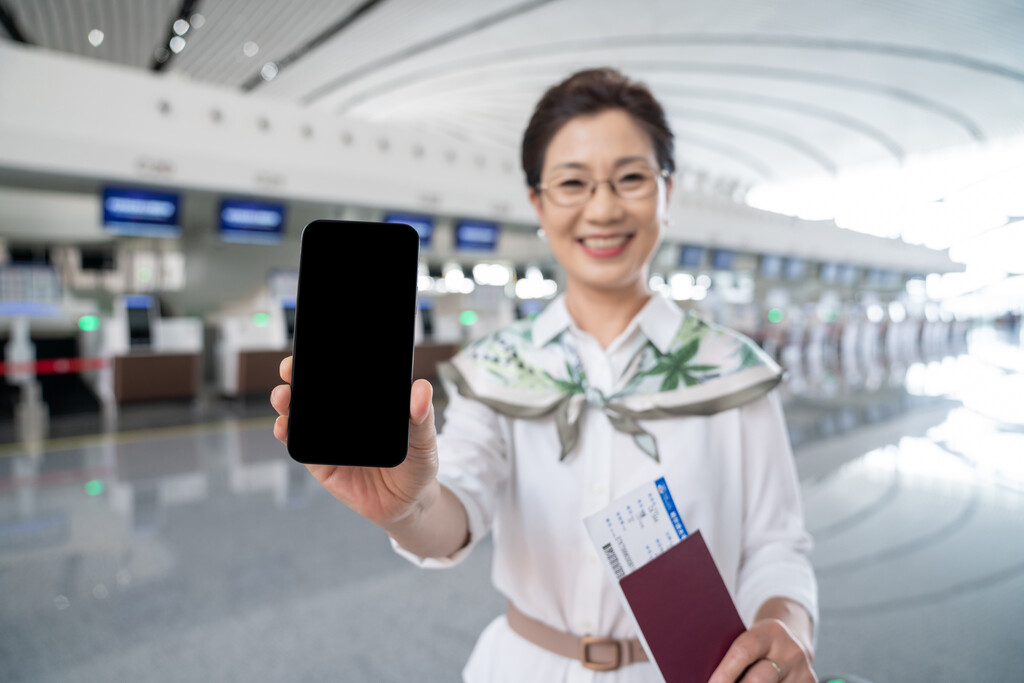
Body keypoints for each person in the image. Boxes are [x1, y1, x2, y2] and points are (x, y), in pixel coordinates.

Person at [271, 68, 818, 683]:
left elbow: (776, 545)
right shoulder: (500, 366)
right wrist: (405, 507)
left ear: (668, 190)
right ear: (537, 202)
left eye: (631, 178)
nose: (603, 208)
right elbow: (455, 513)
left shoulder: (732, 372)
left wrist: (787, 625)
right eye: (572, 183)